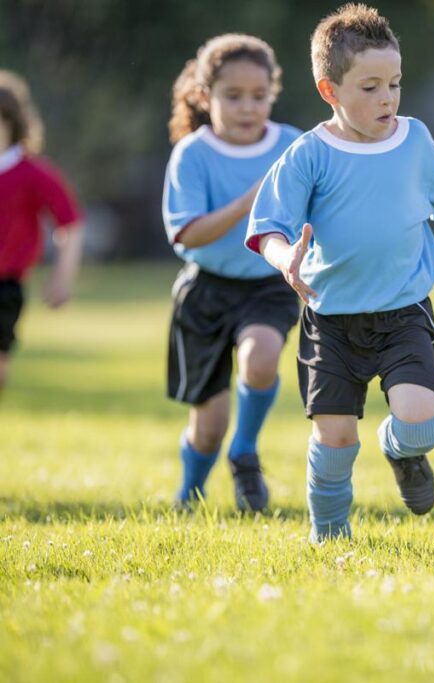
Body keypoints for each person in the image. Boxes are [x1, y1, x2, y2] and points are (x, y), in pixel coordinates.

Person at [246, 4, 434, 543]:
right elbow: (269, 226)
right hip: (331, 320)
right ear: (329, 90)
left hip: (402, 312)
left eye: (394, 83)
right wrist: (283, 257)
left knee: (423, 419)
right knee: (335, 440)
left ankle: (400, 451)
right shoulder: (308, 155)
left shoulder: (413, 140)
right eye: (369, 87)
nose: (387, 97)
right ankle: (330, 535)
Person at [162, 34, 302, 511]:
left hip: (268, 282)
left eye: (259, 96)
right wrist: (247, 203)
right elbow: (188, 235)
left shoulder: (291, 145)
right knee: (208, 427)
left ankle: (245, 451)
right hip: (206, 291)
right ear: (206, 97)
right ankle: (190, 494)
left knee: (261, 357)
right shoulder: (193, 154)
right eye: (233, 96)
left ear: (273, 93)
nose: (248, 108)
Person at [0, 70, 84, 398]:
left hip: (5, 285)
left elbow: (70, 223)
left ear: (11, 123)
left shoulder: (33, 173)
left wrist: (63, 277)